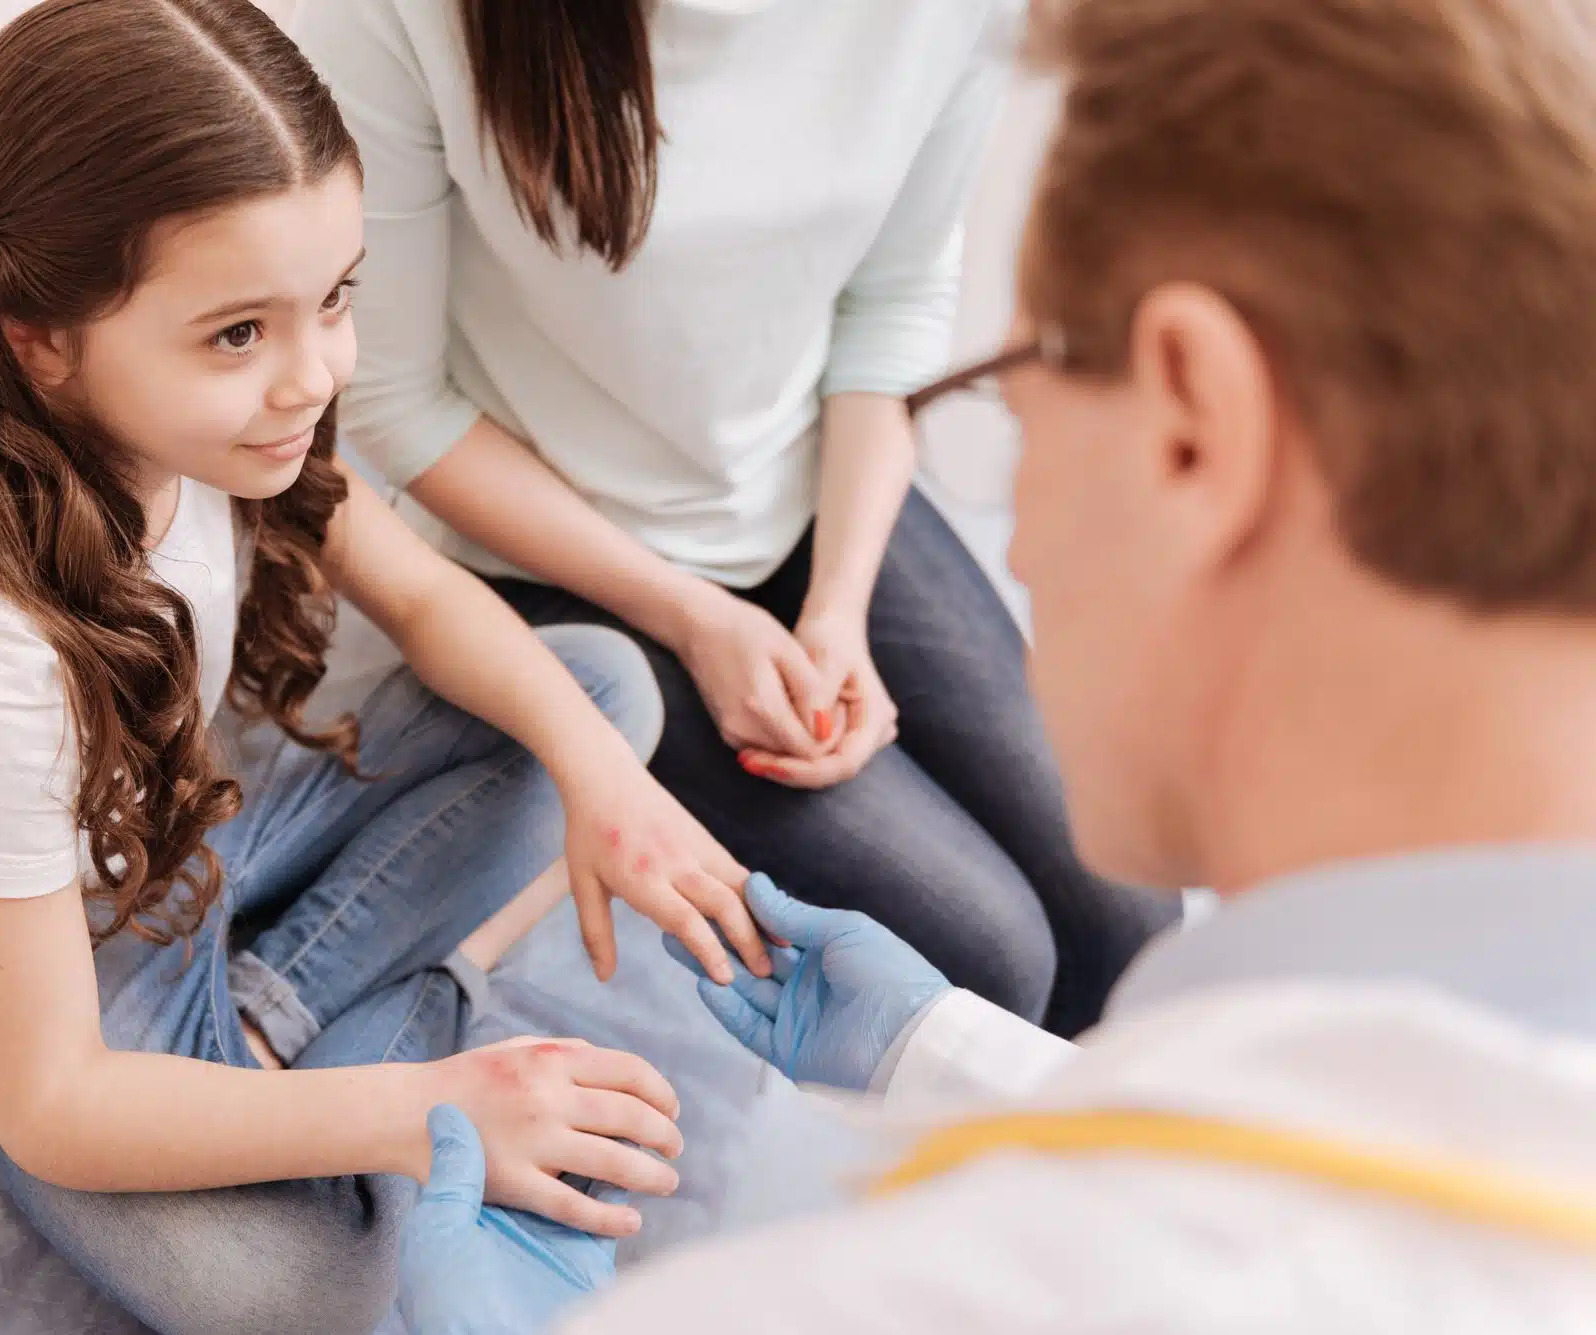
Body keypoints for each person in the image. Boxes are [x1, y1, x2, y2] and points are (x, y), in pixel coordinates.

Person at [393, 0, 1596, 1327]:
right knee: (1013, 936)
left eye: (1009, 393)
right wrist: (933, 1044)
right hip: (574, 553)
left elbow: (893, 304)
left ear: (1196, 424)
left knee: (1098, 914)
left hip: (802, 503)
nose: (1011, 528)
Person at [0, 4, 780, 1332]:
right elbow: (51, 1102)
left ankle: (270, 1009)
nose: (315, 375)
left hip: (155, 844)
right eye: (239, 334)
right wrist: (431, 1099)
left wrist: (600, 784)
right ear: (38, 335)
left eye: (335, 298)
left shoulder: (228, 429)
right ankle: (378, 1015)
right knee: (304, 1287)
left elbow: (428, 595)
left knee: (599, 693)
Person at [294, 0, 1174, 1035]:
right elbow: (399, 404)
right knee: (986, 957)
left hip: (803, 482)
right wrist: (691, 619)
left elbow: (891, 303)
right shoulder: (397, 19)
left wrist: (839, 607)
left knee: (1129, 906)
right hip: (547, 546)